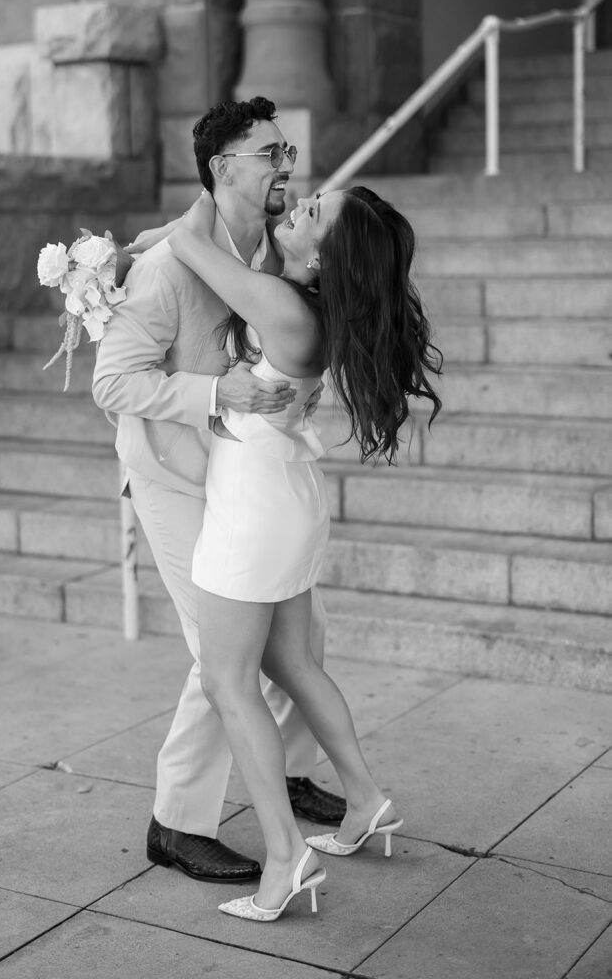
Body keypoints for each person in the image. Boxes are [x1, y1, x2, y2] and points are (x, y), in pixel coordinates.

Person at [161, 178, 442, 921]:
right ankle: (365, 800)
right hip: (283, 496)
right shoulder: (300, 304)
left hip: (254, 508)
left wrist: (222, 171)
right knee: (289, 661)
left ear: (323, 262)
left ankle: (285, 859)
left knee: (227, 680)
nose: (301, 200)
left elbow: (189, 240)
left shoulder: (282, 305)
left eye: (314, 211)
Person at [92, 97, 347, 887]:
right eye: (269, 153)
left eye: (286, 151)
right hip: (173, 478)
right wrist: (215, 393)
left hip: (245, 479)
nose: (285, 166)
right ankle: (177, 822)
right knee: (220, 654)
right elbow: (113, 381)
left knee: (303, 634)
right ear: (222, 167)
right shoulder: (170, 268)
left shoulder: (268, 254)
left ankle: (291, 771)